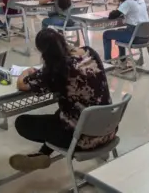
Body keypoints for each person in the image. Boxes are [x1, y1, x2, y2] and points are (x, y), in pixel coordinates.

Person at [9, 28, 115, 172]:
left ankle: (44, 154)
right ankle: (42, 154)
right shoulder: (90, 53)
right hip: (109, 129)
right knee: (63, 113)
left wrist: (26, 72)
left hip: (83, 140)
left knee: (22, 122)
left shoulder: (55, 71)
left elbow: (22, 85)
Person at [103, 0, 149, 66]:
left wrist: (119, 6)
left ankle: (108, 62)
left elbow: (112, 16)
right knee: (119, 31)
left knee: (106, 34)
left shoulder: (128, 2)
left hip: (134, 37)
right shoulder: (141, 0)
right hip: (145, 36)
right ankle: (122, 59)